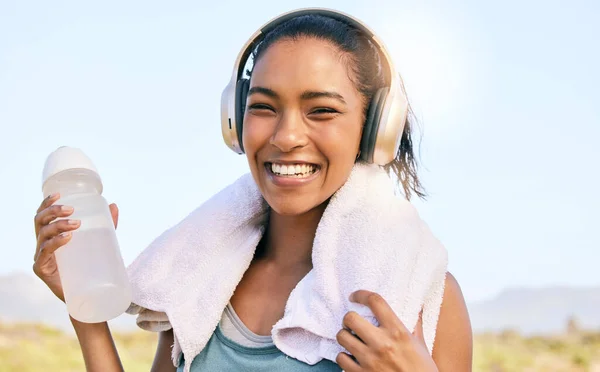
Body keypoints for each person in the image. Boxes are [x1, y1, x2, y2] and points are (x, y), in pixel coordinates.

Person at [32, 8, 473, 372]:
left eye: (321, 110)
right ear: (235, 120)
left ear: (376, 129)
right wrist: (84, 306)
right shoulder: (200, 280)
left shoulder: (414, 298)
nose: (285, 136)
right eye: (263, 106)